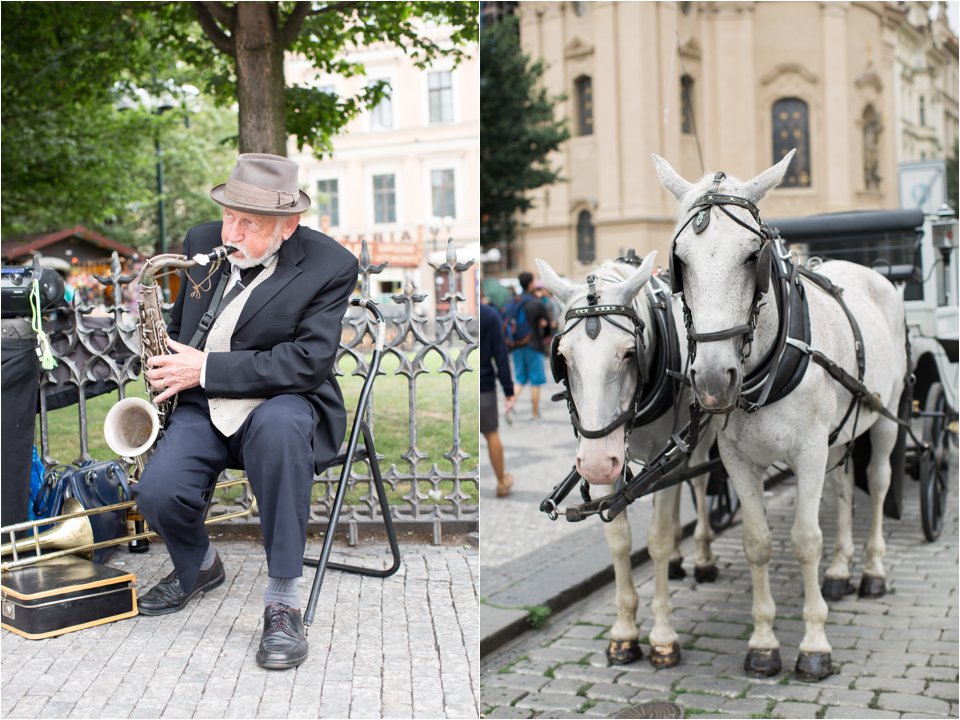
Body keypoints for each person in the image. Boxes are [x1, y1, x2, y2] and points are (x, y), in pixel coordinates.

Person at [132, 153, 359, 670]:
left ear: (289, 225)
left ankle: (282, 603)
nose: (229, 230)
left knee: (281, 431)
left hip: (284, 401)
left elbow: (309, 360)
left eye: (248, 222)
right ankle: (200, 565)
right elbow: (186, 325)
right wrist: (164, 356)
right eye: (228, 214)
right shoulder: (200, 243)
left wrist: (206, 369)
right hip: (202, 404)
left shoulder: (331, 265)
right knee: (157, 493)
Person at [480, 292, 515, 498]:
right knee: (491, 433)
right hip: (485, 386)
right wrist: (508, 389)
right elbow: (500, 355)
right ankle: (501, 482)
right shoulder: (490, 315)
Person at [504, 271, 550, 420]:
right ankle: (535, 414)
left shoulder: (513, 302)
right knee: (535, 381)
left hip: (516, 345)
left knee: (519, 379)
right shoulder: (536, 303)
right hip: (533, 345)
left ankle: (509, 406)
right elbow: (547, 324)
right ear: (530, 283)